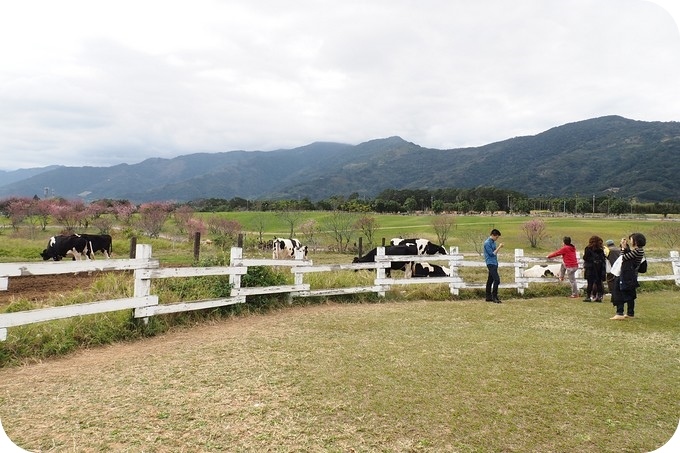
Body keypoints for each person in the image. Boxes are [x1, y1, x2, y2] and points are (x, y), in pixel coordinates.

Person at [610, 233, 646, 320]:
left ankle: (619, 313)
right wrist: (625, 247)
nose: (630, 241)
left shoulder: (638, 251)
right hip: (630, 275)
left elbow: (623, 257)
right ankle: (630, 313)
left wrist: (623, 248)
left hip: (626, 276)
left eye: (632, 239)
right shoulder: (638, 251)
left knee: (619, 292)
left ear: (636, 241)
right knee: (630, 294)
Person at [582, 235, 607, 302]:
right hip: (599, 267)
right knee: (598, 282)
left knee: (590, 283)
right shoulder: (601, 249)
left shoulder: (588, 248)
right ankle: (599, 296)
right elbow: (603, 258)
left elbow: (585, 257)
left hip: (590, 267)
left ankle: (588, 296)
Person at [483, 228, 504, 303]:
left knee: (490, 280)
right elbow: (492, 254)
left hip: (494, 263)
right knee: (497, 280)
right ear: (492, 235)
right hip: (490, 263)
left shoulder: (493, 243)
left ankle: (488, 297)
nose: (497, 238)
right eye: (496, 237)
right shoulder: (487, 243)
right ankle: (494, 296)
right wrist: (499, 247)